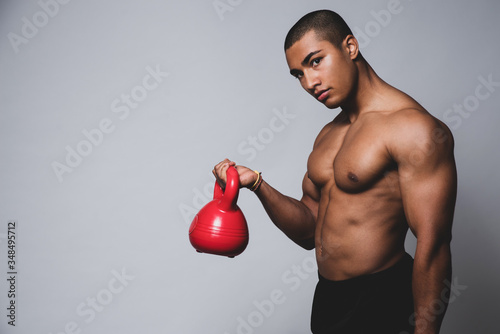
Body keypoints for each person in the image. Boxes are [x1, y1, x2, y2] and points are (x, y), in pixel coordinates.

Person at [212, 9, 457, 334]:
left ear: (350, 47)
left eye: (316, 61)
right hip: (329, 299)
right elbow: (307, 231)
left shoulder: (412, 129)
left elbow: (434, 243)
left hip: (383, 299)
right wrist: (256, 183)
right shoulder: (328, 136)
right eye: (298, 73)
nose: (310, 82)